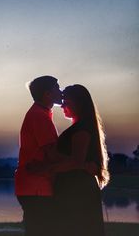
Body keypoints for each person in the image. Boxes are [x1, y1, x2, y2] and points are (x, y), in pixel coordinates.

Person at [51, 84, 109, 236]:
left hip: (76, 190)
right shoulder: (82, 126)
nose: (62, 105)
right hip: (77, 189)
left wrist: (45, 168)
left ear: (79, 103)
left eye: (66, 102)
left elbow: (76, 162)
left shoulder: (81, 129)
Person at [14, 75, 62, 236]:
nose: (61, 92)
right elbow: (53, 153)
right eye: (57, 88)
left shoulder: (42, 113)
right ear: (47, 94)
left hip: (32, 186)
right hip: (36, 187)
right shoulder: (39, 116)